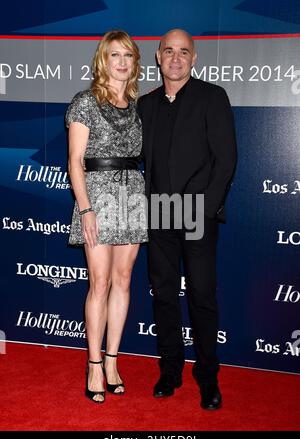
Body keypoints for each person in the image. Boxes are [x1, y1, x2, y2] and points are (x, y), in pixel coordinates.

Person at [138, 29, 237, 410]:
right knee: (163, 295)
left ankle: (208, 376)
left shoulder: (213, 97)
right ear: (158, 57)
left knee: (201, 296)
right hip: (158, 211)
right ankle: (170, 370)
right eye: (168, 51)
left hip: (198, 213)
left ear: (194, 59)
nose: (175, 58)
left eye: (183, 52)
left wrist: (207, 208)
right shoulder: (146, 106)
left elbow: (226, 160)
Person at [66, 30, 148, 403]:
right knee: (99, 283)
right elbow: (75, 162)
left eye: (127, 56)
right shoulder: (85, 102)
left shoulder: (137, 104)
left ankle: (113, 359)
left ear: (134, 62)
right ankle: (94, 364)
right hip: (97, 195)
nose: (121, 62)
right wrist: (85, 209)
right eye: (114, 55)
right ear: (103, 60)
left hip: (132, 193)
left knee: (124, 278)